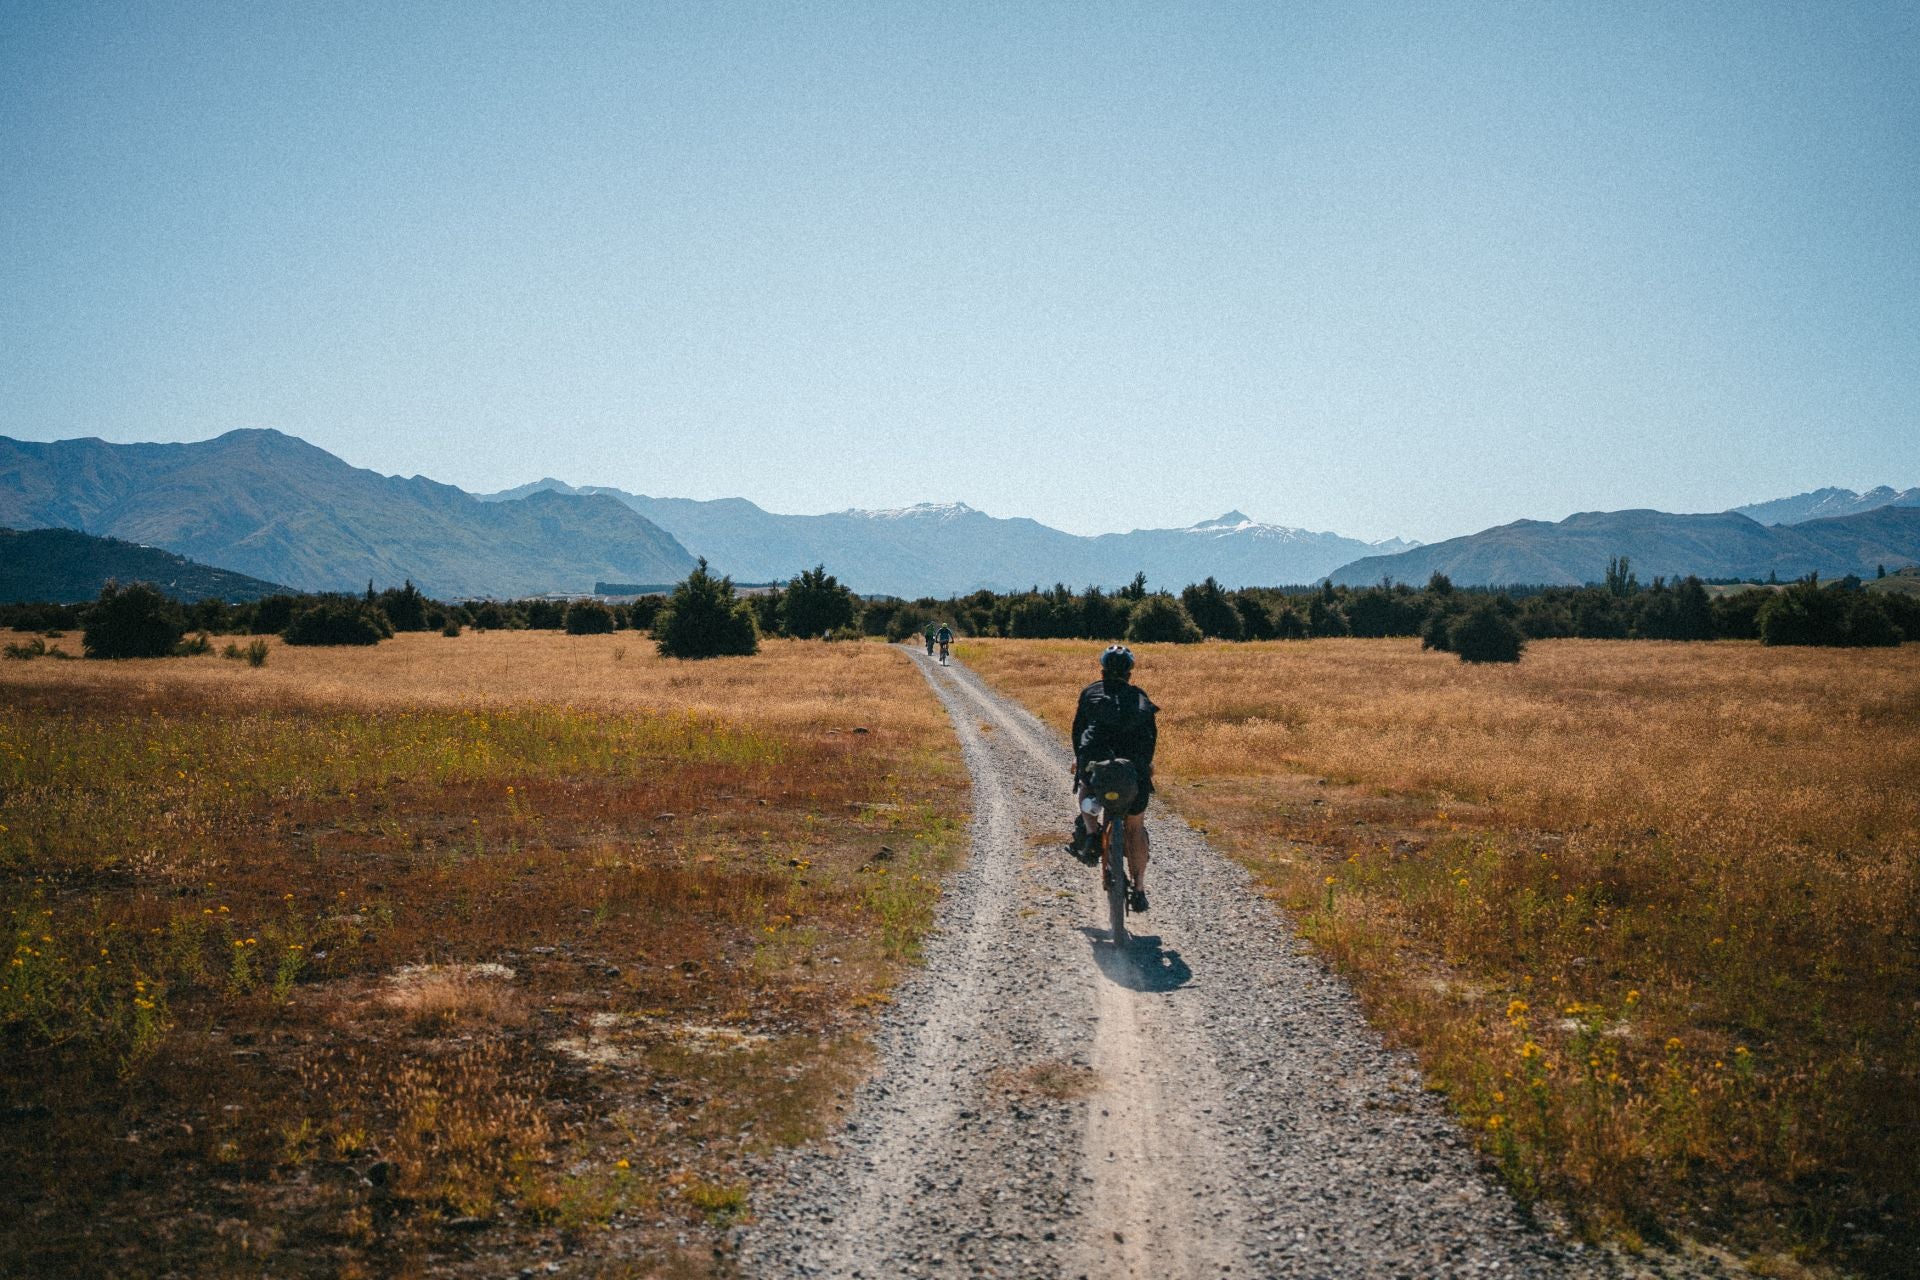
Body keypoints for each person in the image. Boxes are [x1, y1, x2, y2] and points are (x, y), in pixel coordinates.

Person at [1069, 644, 1157, 911]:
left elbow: (1078, 732)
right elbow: (1150, 738)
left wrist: (1079, 760)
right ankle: (1139, 889)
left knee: (1085, 787)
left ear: (1103, 670)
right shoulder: (1140, 698)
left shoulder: (1090, 693)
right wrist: (1146, 766)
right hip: (1133, 771)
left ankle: (1093, 832)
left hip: (1099, 767)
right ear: (1130, 673)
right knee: (1135, 826)